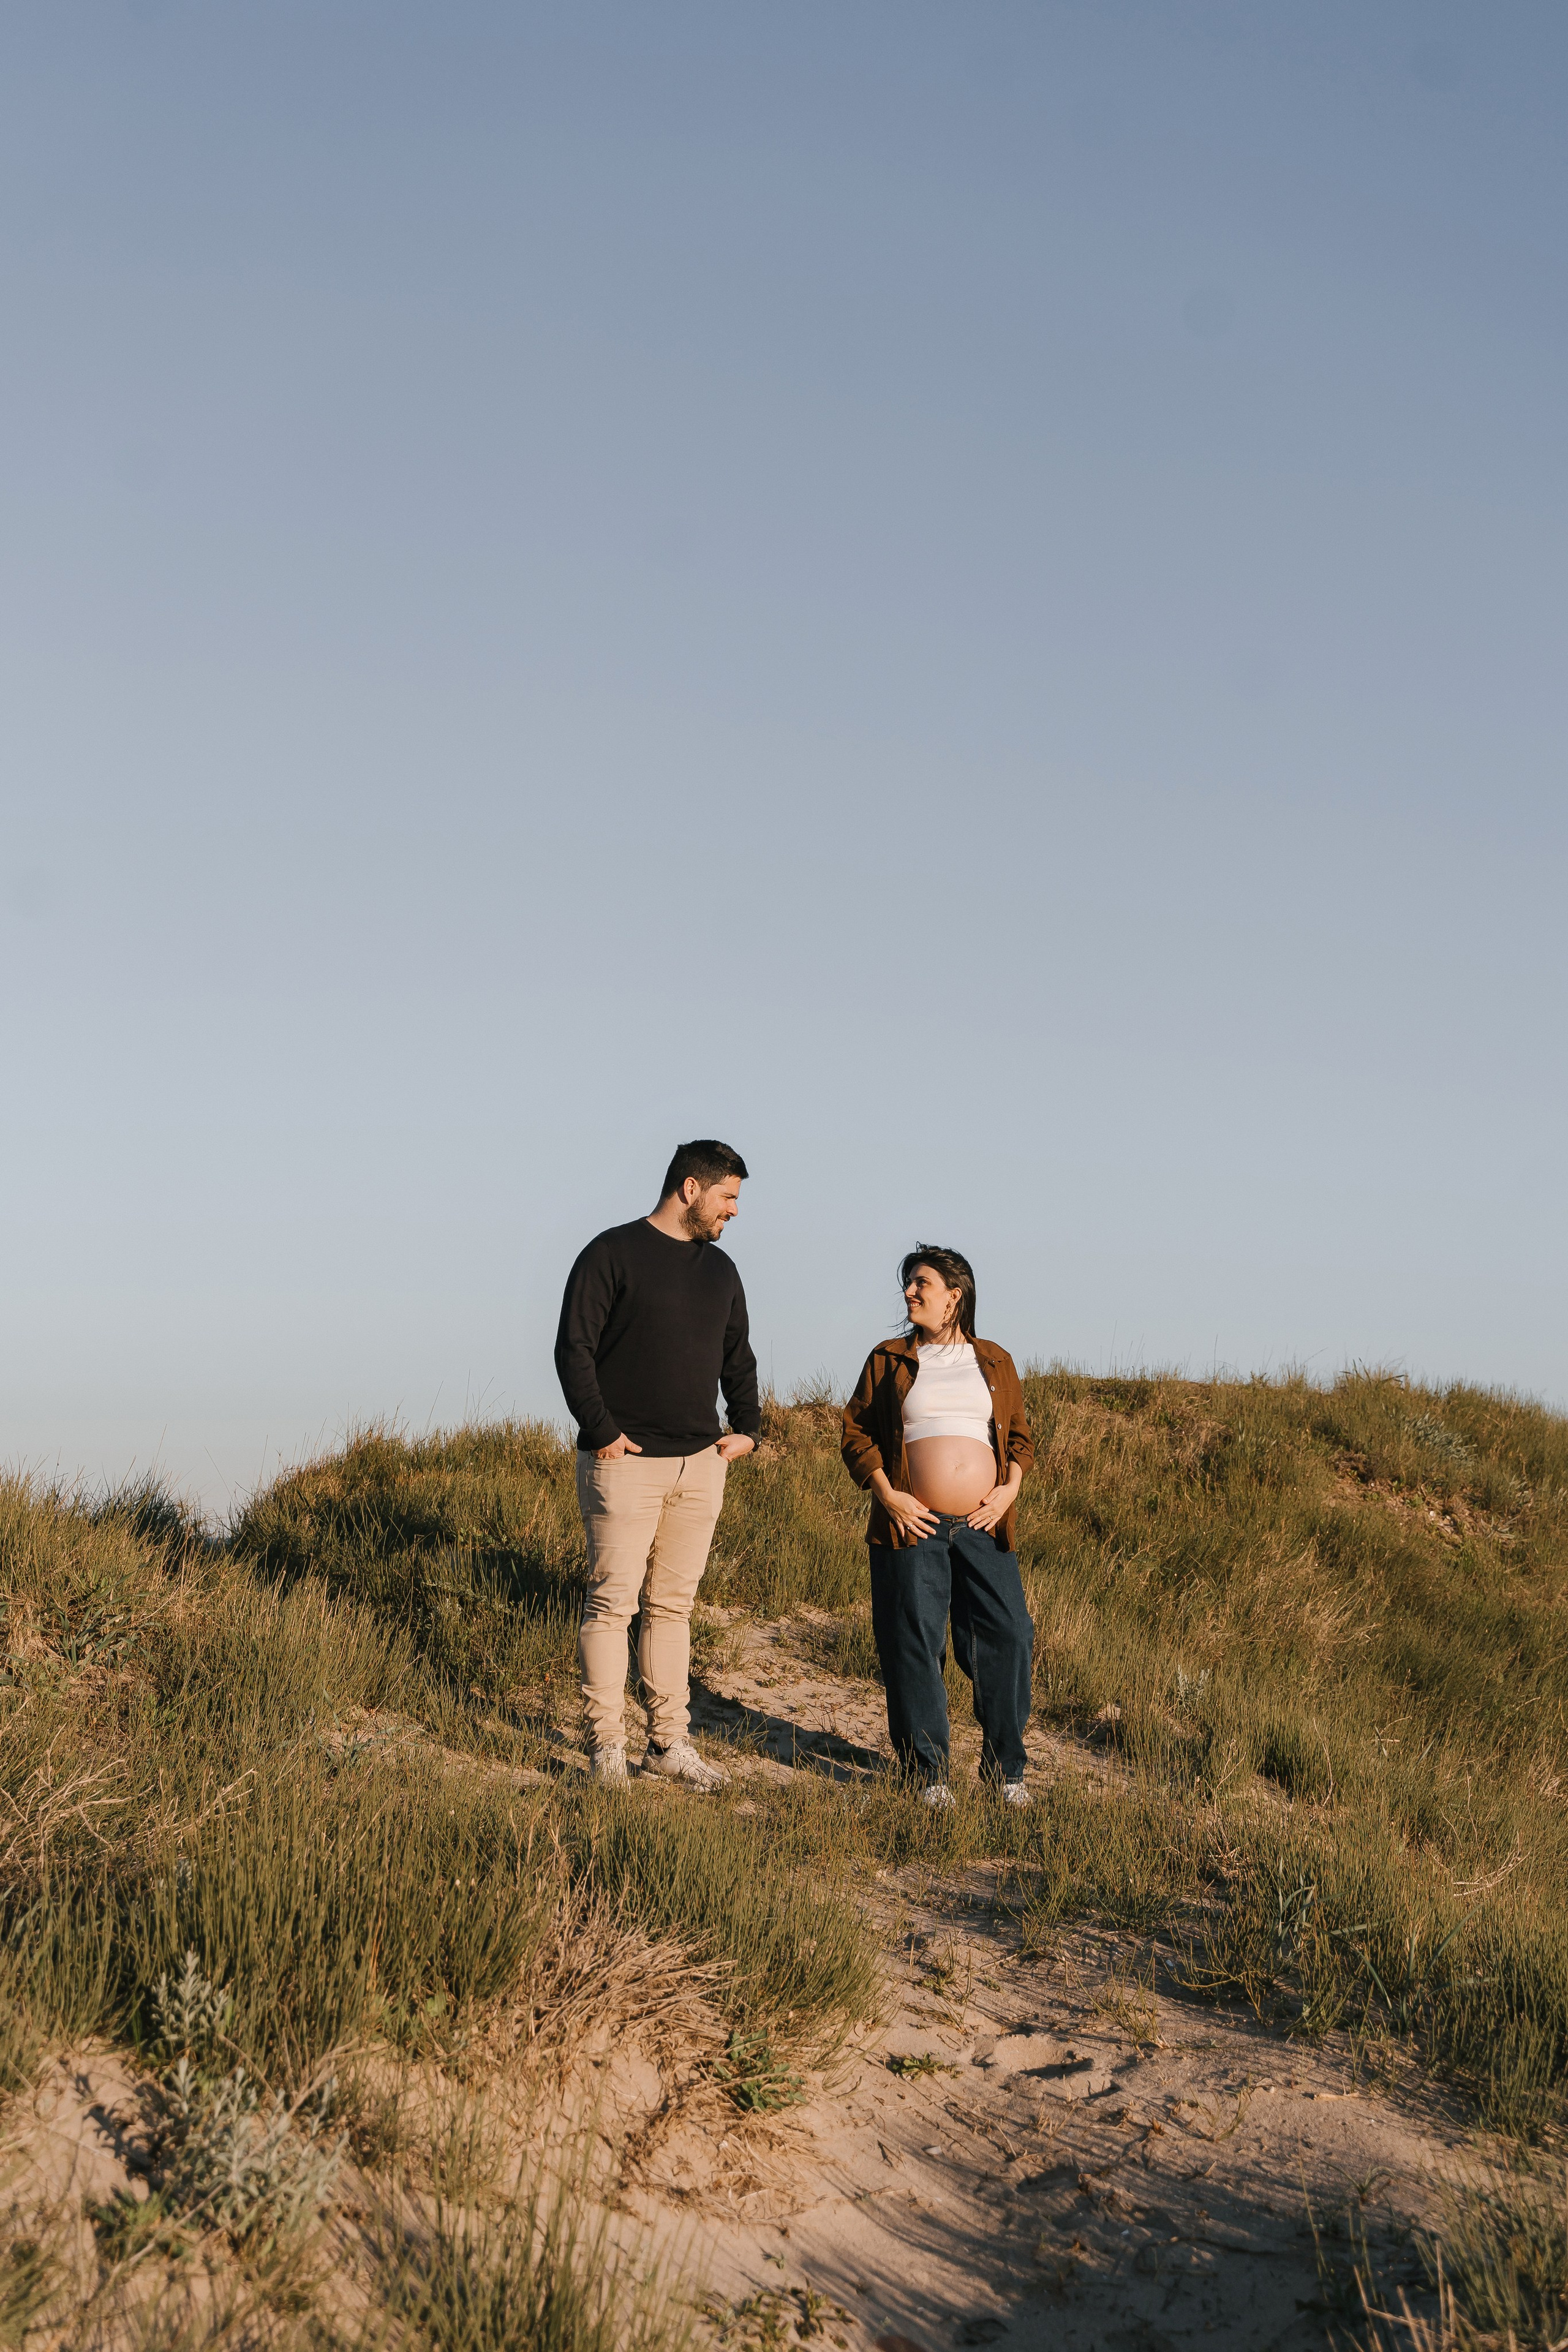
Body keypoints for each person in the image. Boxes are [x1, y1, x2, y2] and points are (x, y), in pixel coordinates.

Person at [554, 1139, 760, 1788]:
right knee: (611, 1606)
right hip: (625, 1463)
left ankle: (668, 1745)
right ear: (690, 1189)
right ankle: (607, 1752)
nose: (734, 1211)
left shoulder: (721, 1271)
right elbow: (573, 1348)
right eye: (728, 1197)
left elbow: (738, 1355)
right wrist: (603, 1431)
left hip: (700, 1463)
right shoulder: (610, 1253)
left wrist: (748, 1428)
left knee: (672, 1609)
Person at [841, 1246, 1035, 1809]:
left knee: (1010, 1634)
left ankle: (1006, 1772)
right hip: (911, 1523)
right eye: (908, 1283)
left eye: (920, 1283)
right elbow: (856, 1433)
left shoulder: (994, 1360)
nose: (909, 1292)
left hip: (984, 1523)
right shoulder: (889, 1358)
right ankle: (928, 1775)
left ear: (955, 1295)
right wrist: (889, 1495)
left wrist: (1009, 1489)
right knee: (914, 1641)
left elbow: (1019, 1438)